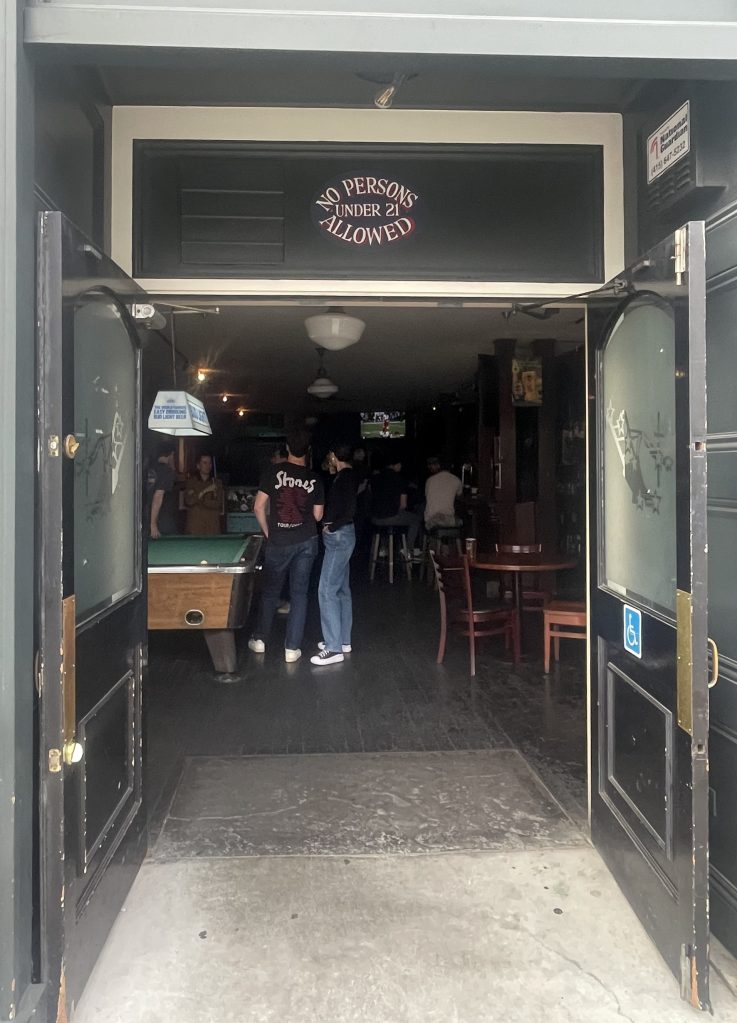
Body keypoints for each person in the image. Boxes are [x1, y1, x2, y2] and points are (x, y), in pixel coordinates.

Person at [249, 430, 324, 662]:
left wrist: (268, 531)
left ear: (288, 449)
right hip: (306, 541)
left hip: (278, 541)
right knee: (299, 594)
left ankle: (260, 640)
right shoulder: (315, 478)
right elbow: (318, 516)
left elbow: (258, 507)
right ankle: (292, 649)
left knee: (270, 592)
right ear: (308, 451)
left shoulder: (273, 472)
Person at [311, 443, 358, 666]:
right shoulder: (347, 475)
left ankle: (333, 647)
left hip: (339, 536)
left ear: (333, 455)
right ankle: (343, 641)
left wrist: (331, 526)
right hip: (343, 536)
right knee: (341, 589)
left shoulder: (345, 477)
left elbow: (349, 510)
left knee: (326, 590)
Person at [369, 455, 421, 553]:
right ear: (396, 465)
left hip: (374, 517)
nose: (401, 467)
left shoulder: (375, 478)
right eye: (400, 465)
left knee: (385, 521)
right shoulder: (400, 479)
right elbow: (403, 505)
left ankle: (383, 548)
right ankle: (408, 550)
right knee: (416, 519)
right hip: (390, 516)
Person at [184, 453, 223, 535]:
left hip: (212, 528)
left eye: (210, 463)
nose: (208, 465)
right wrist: (205, 491)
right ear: (198, 466)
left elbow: (218, 504)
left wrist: (199, 499)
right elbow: (189, 501)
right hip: (195, 528)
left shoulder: (217, 483)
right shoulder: (191, 482)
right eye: (204, 463)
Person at [148, 442, 179, 538]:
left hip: (144, 517)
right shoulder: (167, 472)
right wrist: (153, 524)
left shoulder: (147, 468)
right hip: (162, 521)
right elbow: (158, 496)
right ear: (172, 454)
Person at [424, 456, 463, 530]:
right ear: (452, 466)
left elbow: (427, 496)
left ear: (439, 466)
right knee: (461, 520)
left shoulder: (430, 480)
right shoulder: (456, 480)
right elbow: (460, 496)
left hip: (431, 519)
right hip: (448, 519)